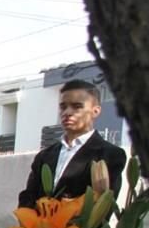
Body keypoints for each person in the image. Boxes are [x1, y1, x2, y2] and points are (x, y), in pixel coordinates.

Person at [17, 79, 127, 209]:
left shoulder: (110, 154)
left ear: (95, 111)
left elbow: (103, 206)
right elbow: (27, 197)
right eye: (63, 107)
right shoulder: (45, 155)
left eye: (77, 106)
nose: (67, 112)